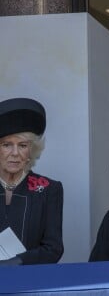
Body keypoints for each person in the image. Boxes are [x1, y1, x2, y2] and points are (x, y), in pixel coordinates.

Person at [0, 97, 64, 265]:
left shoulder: (49, 189)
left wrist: (18, 261)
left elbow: (53, 248)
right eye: (6, 145)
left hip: (31, 282)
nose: (15, 153)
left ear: (32, 150)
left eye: (22, 145)